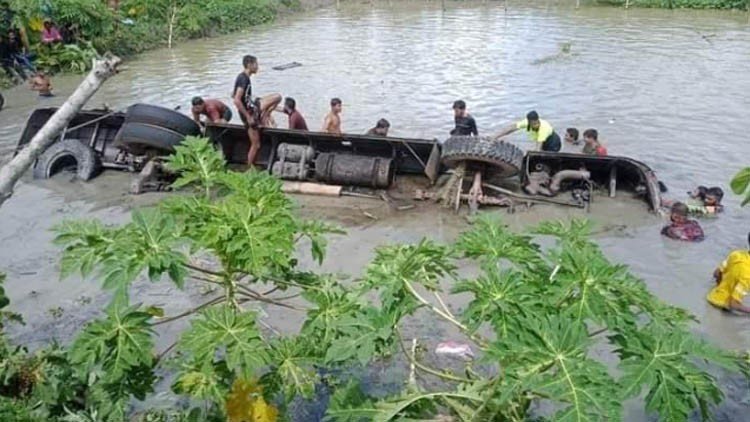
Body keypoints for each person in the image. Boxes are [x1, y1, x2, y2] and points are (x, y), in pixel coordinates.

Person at [232, 54, 282, 165]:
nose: (257, 67)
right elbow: (236, 100)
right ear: (249, 65)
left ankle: (264, 115)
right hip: (249, 113)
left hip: (253, 107)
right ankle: (250, 169)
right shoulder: (243, 79)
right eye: (256, 64)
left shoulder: (244, 78)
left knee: (277, 97)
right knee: (256, 145)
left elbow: (233, 94)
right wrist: (248, 117)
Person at [707, 233, 750, 314]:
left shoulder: (736, 254)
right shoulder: (748, 276)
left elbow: (716, 273)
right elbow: (733, 304)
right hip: (720, 307)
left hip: (712, 296)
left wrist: (720, 288)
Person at [493, 110, 561, 152]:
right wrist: (495, 136)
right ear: (529, 122)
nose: (535, 125)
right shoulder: (526, 122)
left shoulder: (543, 128)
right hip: (544, 141)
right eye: (532, 124)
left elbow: (538, 147)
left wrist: (533, 152)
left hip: (553, 143)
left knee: (546, 158)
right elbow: (511, 128)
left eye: (536, 123)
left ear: (538, 120)